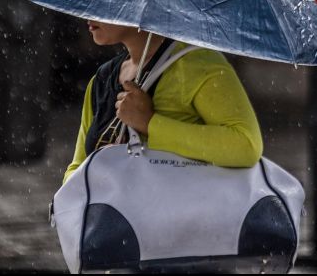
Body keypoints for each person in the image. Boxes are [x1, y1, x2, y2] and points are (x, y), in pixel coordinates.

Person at [63, 20, 264, 184]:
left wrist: (150, 123)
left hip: (184, 226)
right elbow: (76, 167)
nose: (89, 13)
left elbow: (246, 144)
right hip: (117, 228)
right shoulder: (102, 79)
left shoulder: (197, 64)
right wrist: (95, 175)